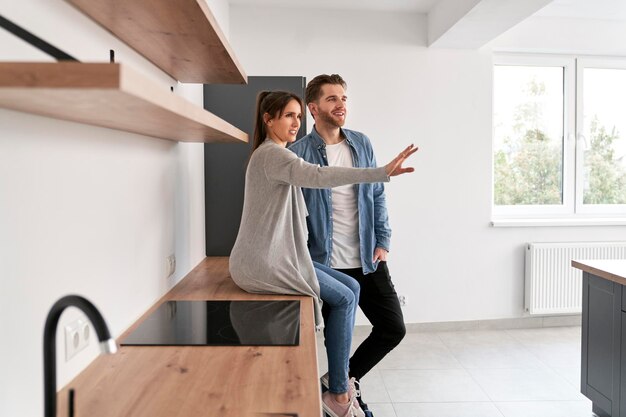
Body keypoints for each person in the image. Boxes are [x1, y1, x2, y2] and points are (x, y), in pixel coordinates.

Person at [229, 91, 416, 417]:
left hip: (278, 255)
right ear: (268, 119)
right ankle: (339, 394)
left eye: (298, 117)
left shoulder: (276, 154)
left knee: (353, 289)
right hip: (263, 263)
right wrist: (379, 171)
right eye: (288, 115)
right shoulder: (272, 155)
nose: (295, 123)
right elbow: (318, 175)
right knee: (344, 299)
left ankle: (338, 382)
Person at [289, 74, 410, 411]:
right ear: (313, 108)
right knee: (337, 340)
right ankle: (342, 397)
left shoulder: (361, 143)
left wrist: (383, 239)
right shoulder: (298, 153)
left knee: (392, 328)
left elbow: (377, 194)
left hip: (368, 257)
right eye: (331, 99)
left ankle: (337, 384)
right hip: (326, 263)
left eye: (343, 98)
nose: (340, 104)